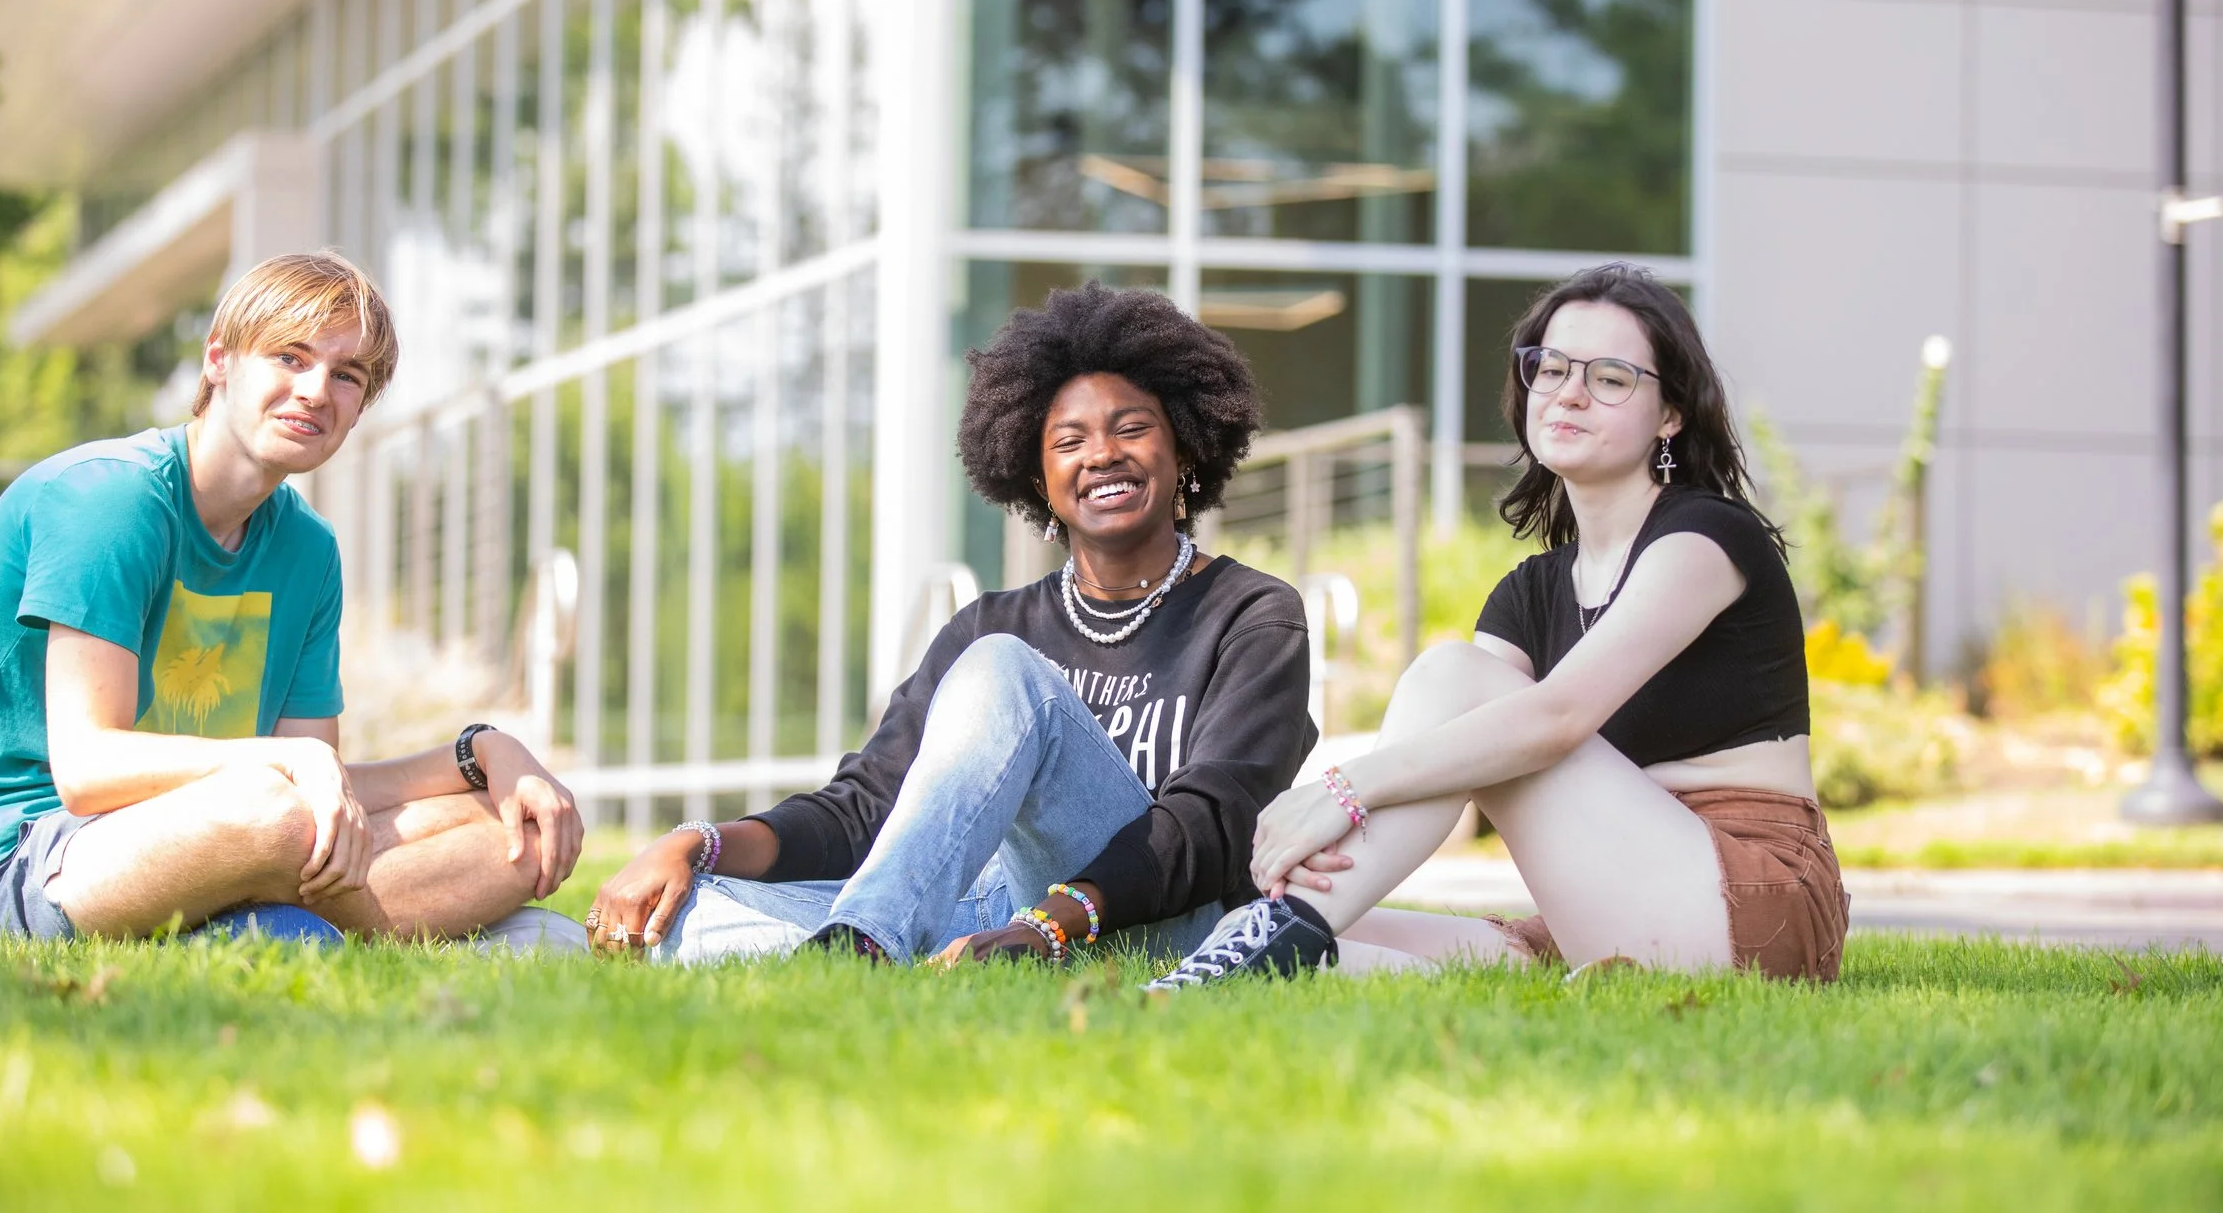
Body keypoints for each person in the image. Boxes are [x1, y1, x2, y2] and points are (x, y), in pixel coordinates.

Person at [1148, 263, 1847, 989]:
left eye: (1610, 377)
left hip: (1752, 900)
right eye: (1552, 367)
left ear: (1670, 413)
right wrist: (1328, 837)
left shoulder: (1706, 538)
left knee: (1455, 676)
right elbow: (1457, 765)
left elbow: (1554, 717)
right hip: (1608, 909)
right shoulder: (1529, 592)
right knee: (1284, 933)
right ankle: (1280, 937)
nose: (1570, 391)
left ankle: (1282, 930)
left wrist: (1341, 789)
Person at [585, 281, 1315, 966]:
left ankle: (862, 947)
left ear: (1184, 448)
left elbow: (1214, 823)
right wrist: (697, 844)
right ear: (1038, 481)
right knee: (689, 909)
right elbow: (868, 808)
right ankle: (877, 941)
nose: (1102, 454)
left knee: (1006, 669)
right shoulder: (985, 621)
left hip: (1147, 921)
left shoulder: (1251, 614)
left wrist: (1048, 924)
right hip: (989, 914)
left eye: (1133, 429)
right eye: (1069, 441)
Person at [0, 252, 586, 945]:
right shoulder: (110, 499)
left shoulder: (308, 551)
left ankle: (256, 924)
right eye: (291, 356)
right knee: (272, 812)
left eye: (347, 375)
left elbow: (325, 791)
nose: (316, 389)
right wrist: (290, 770)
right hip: (9, 861)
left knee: (507, 827)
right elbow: (88, 772)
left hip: (208, 827)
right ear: (219, 360)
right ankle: (331, 925)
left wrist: (482, 754)